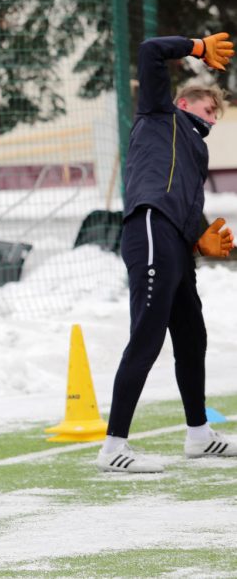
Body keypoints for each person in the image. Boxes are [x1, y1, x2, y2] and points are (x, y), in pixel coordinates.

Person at [96, 33, 235, 473]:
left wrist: (203, 238)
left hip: (174, 239)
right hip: (151, 228)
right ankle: (114, 447)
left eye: (218, 113)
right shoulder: (159, 115)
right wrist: (196, 47)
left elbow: (189, 207)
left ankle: (198, 435)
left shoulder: (196, 151)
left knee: (192, 337)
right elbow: (150, 49)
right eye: (208, 108)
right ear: (182, 103)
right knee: (148, 336)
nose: (213, 116)